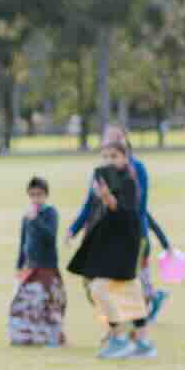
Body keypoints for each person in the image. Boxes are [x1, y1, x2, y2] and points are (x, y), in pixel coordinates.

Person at [71, 126, 174, 321]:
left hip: (129, 235)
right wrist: (74, 229)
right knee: (98, 285)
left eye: (116, 141)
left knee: (126, 284)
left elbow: (138, 208)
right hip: (104, 236)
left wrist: (142, 235)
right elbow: (90, 205)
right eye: (106, 146)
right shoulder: (100, 173)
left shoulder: (134, 172)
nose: (110, 150)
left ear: (125, 145)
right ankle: (129, 320)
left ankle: (130, 327)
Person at [67, 139, 155, 359]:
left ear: (125, 158)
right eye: (105, 156)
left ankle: (119, 338)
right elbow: (93, 209)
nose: (109, 161)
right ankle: (143, 342)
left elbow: (125, 211)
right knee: (130, 291)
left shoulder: (129, 180)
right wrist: (76, 229)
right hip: (110, 242)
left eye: (114, 156)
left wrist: (106, 196)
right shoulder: (101, 180)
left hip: (126, 242)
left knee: (100, 287)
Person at [9, 176, 66, 347]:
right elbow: (23, 242)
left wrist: (37, 220)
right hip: (30, 266)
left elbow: (50, 237)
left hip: (46, 265)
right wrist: (19, 265)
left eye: (39, 195)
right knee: (24, 302)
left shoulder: (50, 213)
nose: (36, 199)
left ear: (46, 195)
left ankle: (54, 336)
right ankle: (25, 335)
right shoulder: (27, 216)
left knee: (49, 303)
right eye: (32, 195)